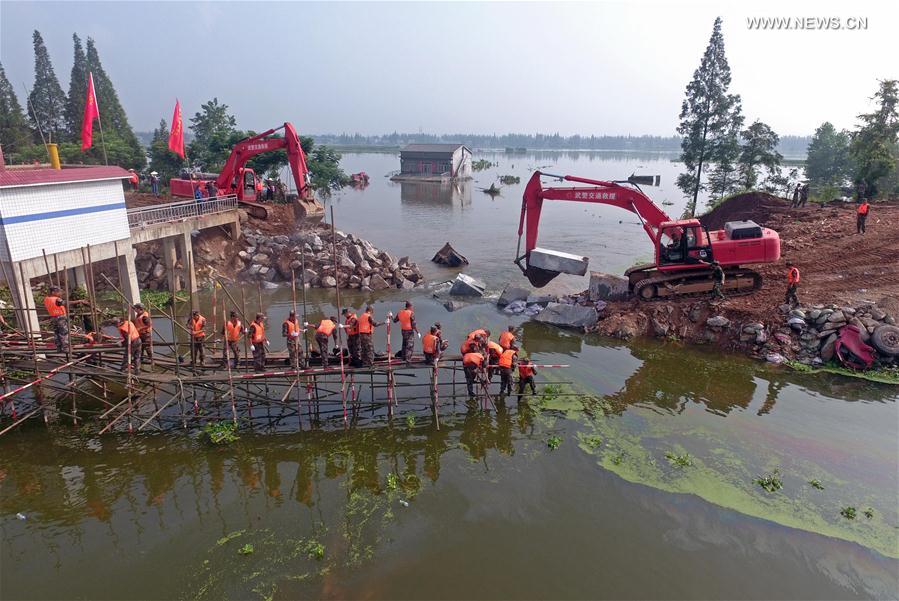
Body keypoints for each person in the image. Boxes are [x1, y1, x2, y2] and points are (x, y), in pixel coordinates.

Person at [42, 285, 88, 352]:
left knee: (57, 333)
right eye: (58, 292)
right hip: (60, 317)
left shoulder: (46, 299)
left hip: (53, 317)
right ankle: (66, 347)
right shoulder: (56, 299)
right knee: (64, 332)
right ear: (53, 292)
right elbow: (65, 303)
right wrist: (79, 301)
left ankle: (59, 347)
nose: (59, 293)